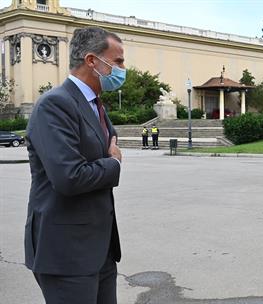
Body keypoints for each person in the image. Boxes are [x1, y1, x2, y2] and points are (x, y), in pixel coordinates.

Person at [25, 27, 126, 304]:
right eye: (117, 62)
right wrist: (113, 163)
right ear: (92, 60)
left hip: (100, 249)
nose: (122, 69)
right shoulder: (55, 104)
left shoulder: (95, 105)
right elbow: (69, 177)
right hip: (67, 253)